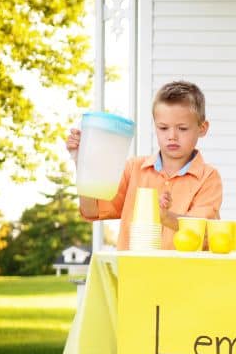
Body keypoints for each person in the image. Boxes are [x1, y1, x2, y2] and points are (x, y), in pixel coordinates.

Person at [66, 80, 223, 250]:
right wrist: (83, 162)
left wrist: (166, 217)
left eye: (182, 128)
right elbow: (90, 210)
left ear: (202, 128)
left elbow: (203, 229)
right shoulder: (134, 169)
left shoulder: (208, 177)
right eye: (163, 128)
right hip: (133, 274)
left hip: (182, 275)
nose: (172, 136)